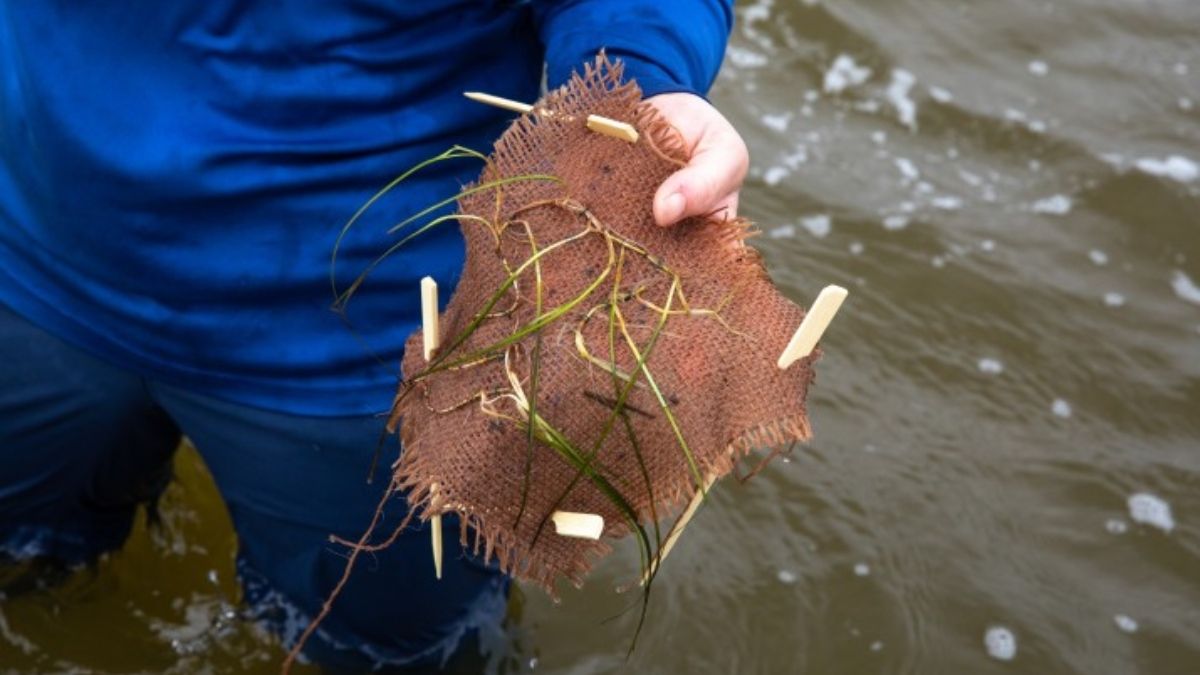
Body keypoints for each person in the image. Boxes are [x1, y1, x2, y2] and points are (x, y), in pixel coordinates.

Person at [0, 1, 748, 669]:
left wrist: (642, 84)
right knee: (24, 583)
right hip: (34, 252)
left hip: (372, 349)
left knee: (401, 651)